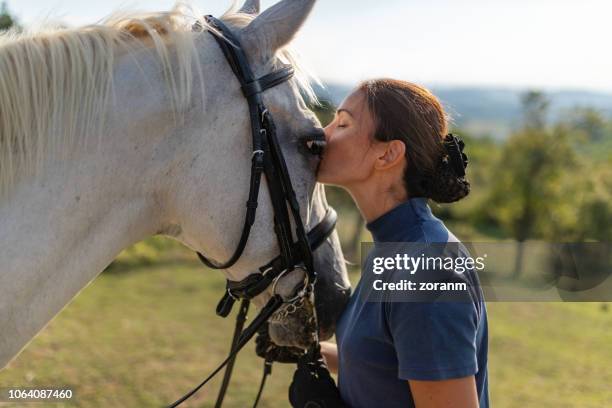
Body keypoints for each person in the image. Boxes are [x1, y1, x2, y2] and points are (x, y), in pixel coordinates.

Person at [311, 79, 489, 408]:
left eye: (343, 123)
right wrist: (309, 355)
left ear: (388, 153)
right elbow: (386, 361)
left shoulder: (428, 269)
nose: (322, 134)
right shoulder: (395, 248)